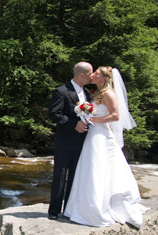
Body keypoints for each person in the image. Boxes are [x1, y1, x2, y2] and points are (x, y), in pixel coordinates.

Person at [64, 66, 149, 227]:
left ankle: (99, 206)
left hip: (100, 135)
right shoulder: (96, 93)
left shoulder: (108, 93)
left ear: (103, 78)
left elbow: (115, 115)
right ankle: (81, 207)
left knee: (97, 167)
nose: (93, 75)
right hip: (93, 134)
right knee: (90, 168)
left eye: (96, 73)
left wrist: (94, 120)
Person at [47, 62, 93, 220]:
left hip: (82, 141)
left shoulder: (86, 92)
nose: (92, 76)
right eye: (90, 74)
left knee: (75, 176)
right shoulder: (61, 91)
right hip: (65, 141)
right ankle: (53, 211)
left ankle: (69, 209)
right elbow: (54, 114)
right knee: (60, 175)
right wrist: (74, 124)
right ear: (82, 75)